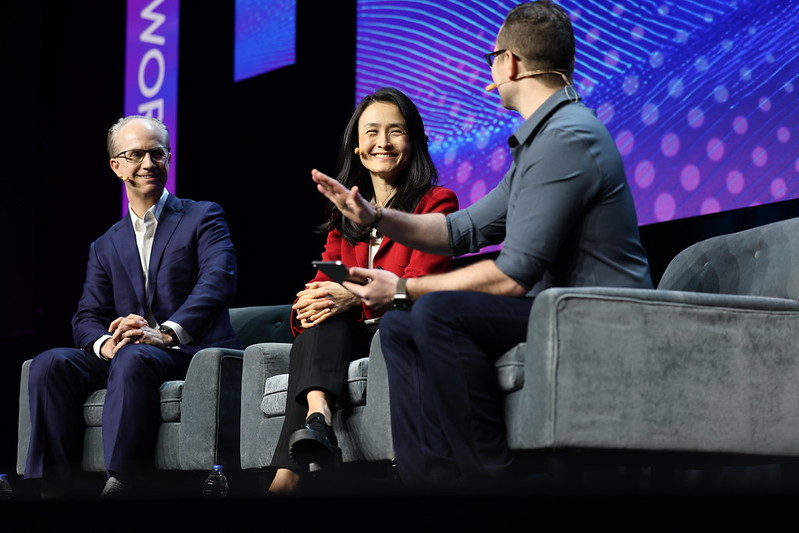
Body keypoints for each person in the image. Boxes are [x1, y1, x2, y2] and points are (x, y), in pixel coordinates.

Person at [312, 1, 653, 492]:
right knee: (401, 328)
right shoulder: (543, 139)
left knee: (434, 313)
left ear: (510, 63)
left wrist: (404, 288)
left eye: (493, 58)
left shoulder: (567, 139)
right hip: (558, 307)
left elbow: (513, 275)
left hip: (597, 313)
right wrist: (376, 217)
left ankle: (491, 481)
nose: (490, 69)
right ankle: (428, 480)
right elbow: (463, 230)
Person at [25, 115, 242, 498]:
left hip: (187, 351)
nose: (147, 164)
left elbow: (217, 282)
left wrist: (166, 332)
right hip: (132, 353)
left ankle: (123, 482)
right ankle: (54, 489)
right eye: (136, 154)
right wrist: (106, 344)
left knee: (135, 358)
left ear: (169, 159)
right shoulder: (105, 244)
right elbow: (87, 316)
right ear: (117, 166)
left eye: (157, 154)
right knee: (49, 363)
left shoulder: (203, 216)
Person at [267, 87, 458, 494]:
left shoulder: (436, 204)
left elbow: (418, 278)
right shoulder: (346, 214)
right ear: (357, 147)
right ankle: (318, 420)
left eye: (396, 131)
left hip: (400, 328)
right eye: (371, 132)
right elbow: (322, 286)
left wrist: (350, 295)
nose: (382, 143)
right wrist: (310, 303)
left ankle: (288, 475)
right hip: (348, 336)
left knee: (333, 310)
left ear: (415, 142)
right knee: (322, 318)